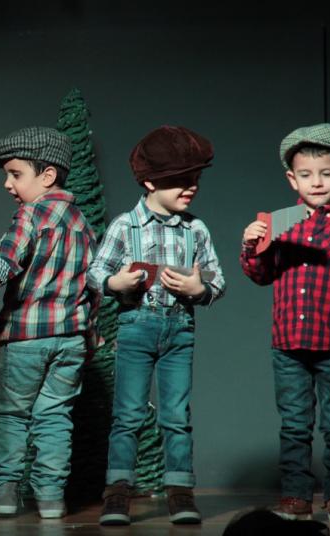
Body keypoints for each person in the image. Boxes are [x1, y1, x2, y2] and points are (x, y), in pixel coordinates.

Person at [89, 125, 225, 525]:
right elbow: (96, 272)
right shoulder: (125, 226)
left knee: (177, 415)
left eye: (195, 178)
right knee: (128, 414)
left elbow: (217, 280)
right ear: (150, 182)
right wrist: (116, 283)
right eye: (180, 180)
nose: (191, 187)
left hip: (179, 329)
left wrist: (199, 289)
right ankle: (118, 492)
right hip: (136, 327)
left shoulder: (195, 230)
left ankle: (180, 491)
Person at [0, 126, 97, 520]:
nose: (8, 184)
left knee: (12, 414)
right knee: (55, 416)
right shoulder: (83, 224)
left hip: (26, 336)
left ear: (47, 176)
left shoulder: (31, 214)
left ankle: (5, 493)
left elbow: (10, 250)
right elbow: (94, 284)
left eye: (15, 174)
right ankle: (51, 498)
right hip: (71, 338)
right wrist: (90, 332)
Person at [240, 123, 330, 524]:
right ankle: (296, 497)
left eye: (327, 173)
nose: (316, 182)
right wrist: (252, 245)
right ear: (291, 178)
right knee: (295, 424)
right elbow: (261, 274)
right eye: (306, 174)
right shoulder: (281, 221)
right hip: (288, 342)